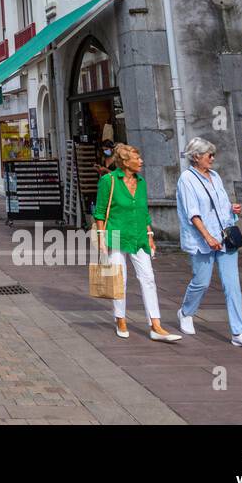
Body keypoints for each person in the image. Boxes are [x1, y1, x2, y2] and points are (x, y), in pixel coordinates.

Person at [176, 137, 242, 351]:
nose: (213, 158)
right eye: (209, 155)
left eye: (213, 154)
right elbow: (192, 213)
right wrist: (207, 236)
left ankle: (238, 332)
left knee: (232, 286)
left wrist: (232, 208)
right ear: (196, 157)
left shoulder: (215, 176)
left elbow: (220, 204)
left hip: (225, 237)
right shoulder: (186, 179)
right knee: (201, 282)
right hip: (202, 239)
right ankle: (186, 312)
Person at [94, 144, 181, 342]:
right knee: (119, 279)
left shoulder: (141, 181)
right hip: (115, 234)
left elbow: (143, 210)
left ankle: (155, 324)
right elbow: (100, 211)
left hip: (138, 234)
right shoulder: (109, 181)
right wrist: (101, 237)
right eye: (137, 158)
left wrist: (150, 234)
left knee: (148, 277)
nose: (141, 161)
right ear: (125, 162)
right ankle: (120, 319)